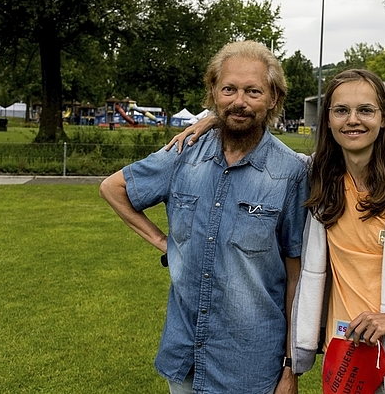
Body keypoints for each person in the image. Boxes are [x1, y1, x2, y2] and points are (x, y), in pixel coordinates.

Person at [171, 69, 385, 393]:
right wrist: (217, 121)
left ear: (384, 118)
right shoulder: (316, 178)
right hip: (343, 362)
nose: (353, 120)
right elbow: (265, 150)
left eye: (366, 110)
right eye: (341, 110)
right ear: (328, 120)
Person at [100, 41, 308, 394]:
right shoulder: (183, 153)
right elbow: (112, 188)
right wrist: (164, 242)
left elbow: (295, 279)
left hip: (250, 364)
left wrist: (291, 368)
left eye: (252, 91)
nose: (239, 101)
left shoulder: (291, 173)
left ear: (273, 98)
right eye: (229, 89)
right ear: (213, 92)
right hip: (184, 355)